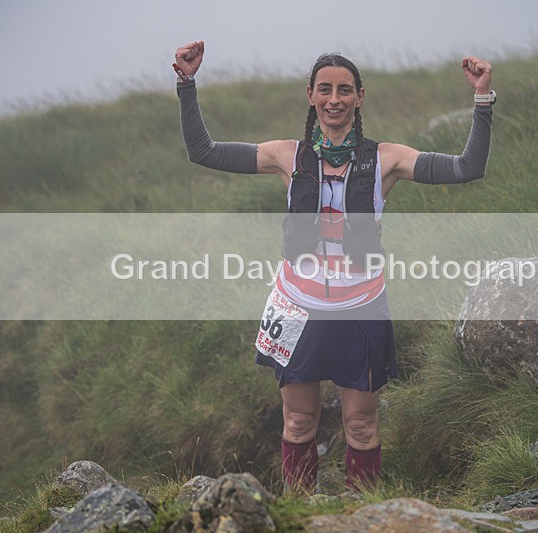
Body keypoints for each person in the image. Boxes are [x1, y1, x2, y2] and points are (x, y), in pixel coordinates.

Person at [174, 40, 494, 494]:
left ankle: (362, 514)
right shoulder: (287, 155)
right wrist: (186, 83)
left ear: (359, 97)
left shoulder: (388, 160)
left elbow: (468, 168)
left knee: (361, 426)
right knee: (299, 419)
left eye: (345, 90)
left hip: (362, 307)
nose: (334, 99)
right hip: (295, 306)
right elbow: (203, 152)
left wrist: (482, 98)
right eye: (324, 89)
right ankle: (298, 514)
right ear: (310, 95)